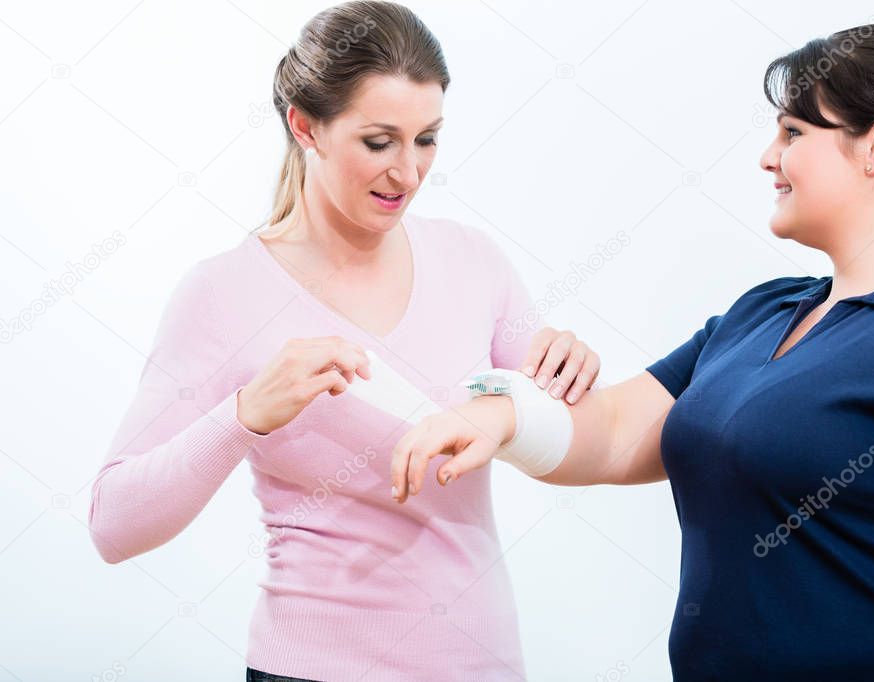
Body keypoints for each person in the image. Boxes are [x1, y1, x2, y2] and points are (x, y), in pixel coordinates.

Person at [392, 23, 874, 681]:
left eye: (793, 133)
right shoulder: (764, 313)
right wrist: (501, 413)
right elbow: (610, 435)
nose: (767, 157)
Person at [87, 3, 601, 680]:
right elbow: (114, 526)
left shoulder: (474, 263)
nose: (409, 173)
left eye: (427, 139)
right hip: (312, 669)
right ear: (305, 126)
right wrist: (243, 414)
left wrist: (559, 381)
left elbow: (580, 446)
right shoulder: (221, 293)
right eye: (379, 142)